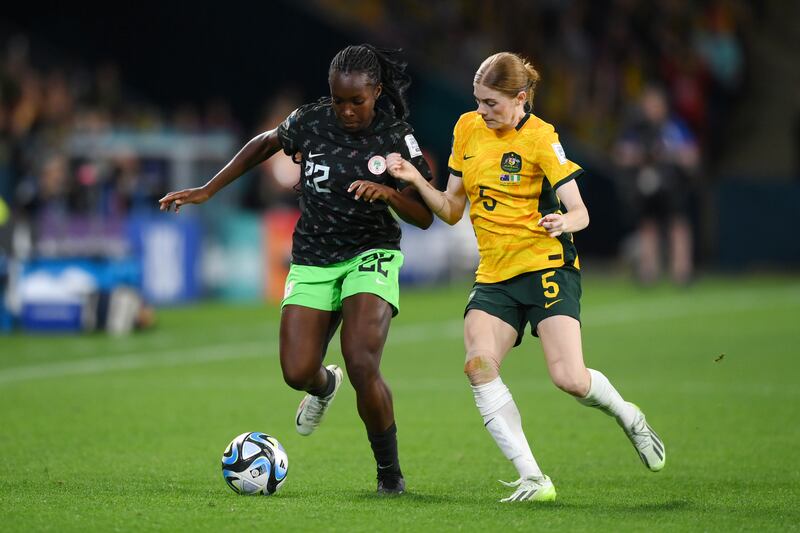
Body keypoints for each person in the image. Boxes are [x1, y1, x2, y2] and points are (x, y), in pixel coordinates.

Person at [386, 52, 665, 503]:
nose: (482, 110)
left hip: (546, 267)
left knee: (570, 379)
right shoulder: (466, 129)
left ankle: (628, 415)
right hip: (495, 275)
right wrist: (414, 181)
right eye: (477, 100)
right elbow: (453, 210)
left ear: (520, 99)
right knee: (478, 365)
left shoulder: (542, 138)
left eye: (491, 103)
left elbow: (581, 211)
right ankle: (534, 479)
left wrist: (562, 223)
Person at [159, 44, 434, 494]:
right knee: (296, 372)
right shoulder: (311, 120)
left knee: (363, 362)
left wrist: (389, 195)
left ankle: (390, 475)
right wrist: (209, 189)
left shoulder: (396, 136)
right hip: (313, 256)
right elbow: (265, 143)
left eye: (356, 101)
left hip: (371, 253)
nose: (345, 110)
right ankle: (324, 386)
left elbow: (424, 215)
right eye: (338, 99)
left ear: (377, 91)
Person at [614, 85, 699, 285]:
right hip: (646, 184)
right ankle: (649, 270)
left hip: (672, 184)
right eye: (648, 104)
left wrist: (670, 154)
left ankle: (681, 270)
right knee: (648, 225)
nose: (652, 109)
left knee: (677, 223)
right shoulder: (637, 128)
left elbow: (692, 155)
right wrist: (641, 155)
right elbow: (621, 154)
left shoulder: (674, 127)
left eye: (655, 104)